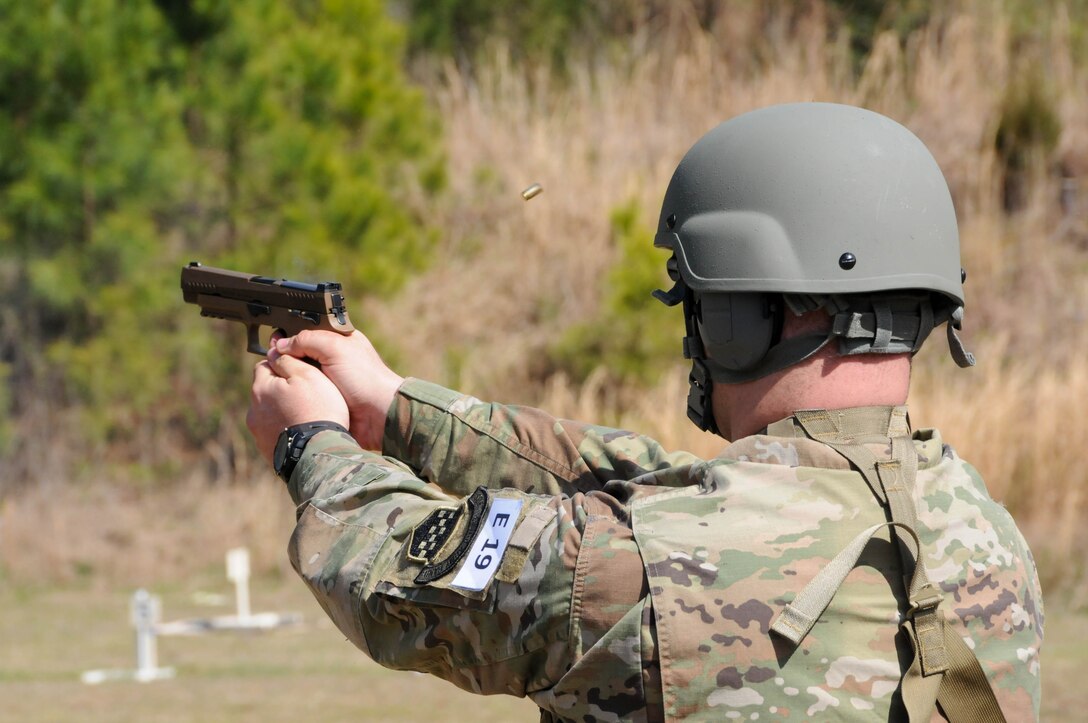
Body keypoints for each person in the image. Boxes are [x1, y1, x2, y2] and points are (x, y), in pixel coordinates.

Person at [246, 103, 1043, 721]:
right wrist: (398, 409)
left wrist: (311, 444)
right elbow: (664, 488)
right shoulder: (981, 532)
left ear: (744, 317)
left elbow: (392, 578)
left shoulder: (634, 572)